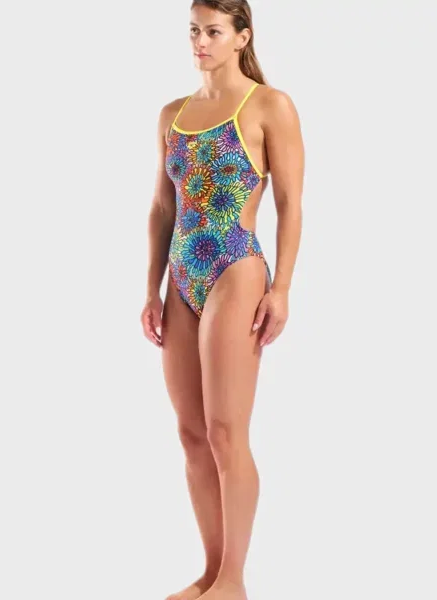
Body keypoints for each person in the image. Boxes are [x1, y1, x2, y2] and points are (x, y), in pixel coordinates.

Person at [141, 1, 304, 598]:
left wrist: (282, 288)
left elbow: (290, 204)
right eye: (194, 31)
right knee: (191, 433)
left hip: (236, 266)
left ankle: (234, 580)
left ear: (242, 37)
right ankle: (211, 572)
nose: (200, 42)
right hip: (181, 275)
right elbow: (162, 208)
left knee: (225, 430)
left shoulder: (269, 105)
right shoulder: (173, 114)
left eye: (212, 31)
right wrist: (151, 287)